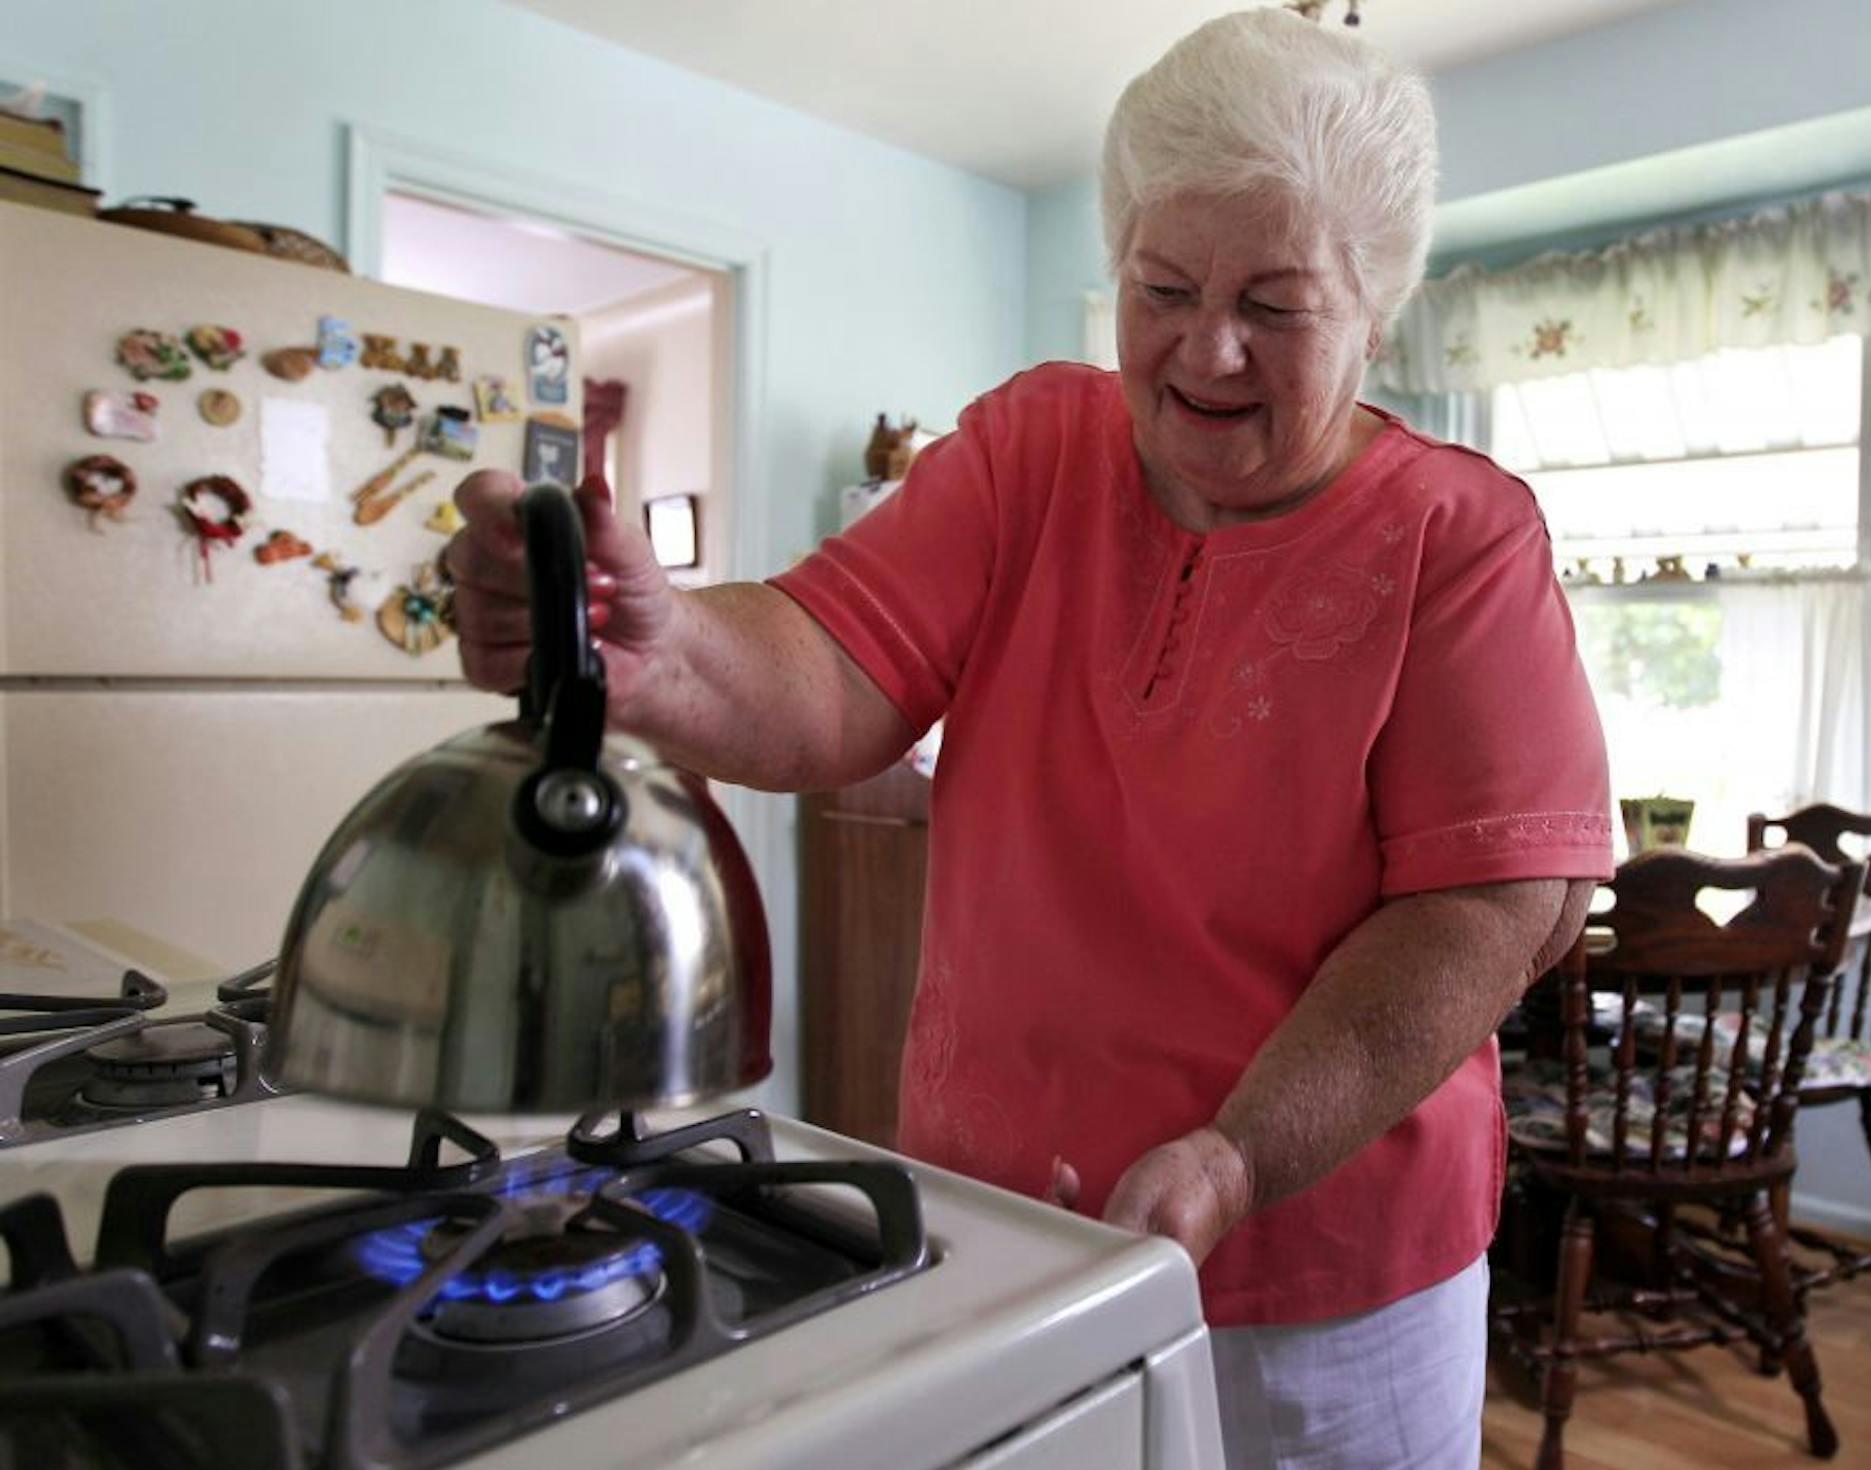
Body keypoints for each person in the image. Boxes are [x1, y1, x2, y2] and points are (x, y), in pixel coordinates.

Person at [448, 9, 1610, 1465]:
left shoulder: (1459, 536)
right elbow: (830, 664)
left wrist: (1237, 1154)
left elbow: (1494, 906)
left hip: (1321, 1276)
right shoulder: (1028, 450)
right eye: (1163, 285)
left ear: (1378, 302)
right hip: (1001, 1221)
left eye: (1276, 301)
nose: (1209, 347)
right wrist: (660, 646)